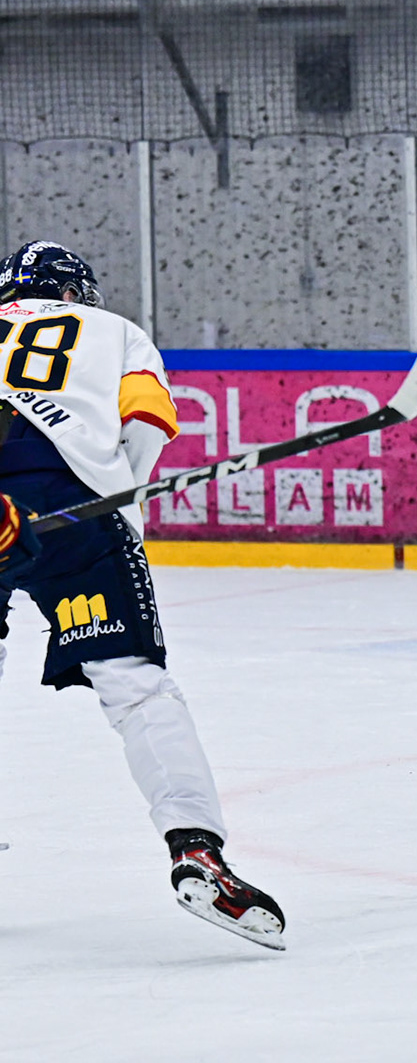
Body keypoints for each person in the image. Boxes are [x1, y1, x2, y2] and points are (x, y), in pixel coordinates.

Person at [0, 241, 285, 948]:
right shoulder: (115, 331)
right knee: (135, 687)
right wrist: (112, 500)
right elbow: (144, 429)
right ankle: (197, 851)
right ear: (74, 292)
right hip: (76, 515)